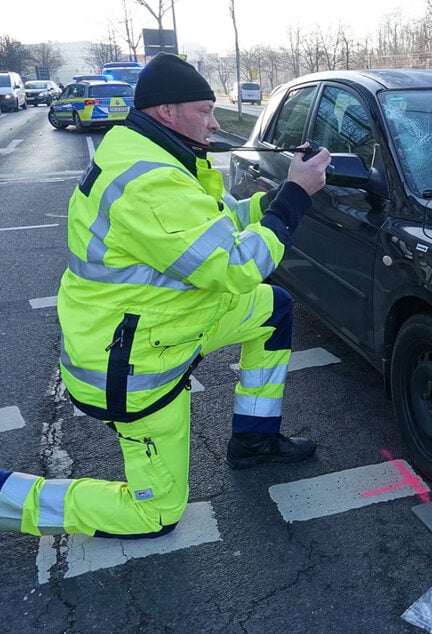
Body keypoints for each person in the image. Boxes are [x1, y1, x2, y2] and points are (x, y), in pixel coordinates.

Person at [1, 53, 331, 539]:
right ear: (167, 112)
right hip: (135, 364)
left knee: (273, 310)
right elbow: (237, 266)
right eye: (204, 111)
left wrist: (275, 199)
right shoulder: (152, 180)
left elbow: (212, 225)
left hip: (163, 326)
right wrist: (296, 199)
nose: (214, 123)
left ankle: (254, 441)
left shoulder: (148, 151)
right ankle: (9, 497)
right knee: (155, 515)